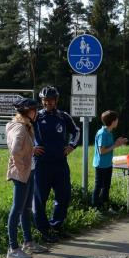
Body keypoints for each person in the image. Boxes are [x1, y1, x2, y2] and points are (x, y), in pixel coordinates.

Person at [32, 86, 80, 243]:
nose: (48, 103)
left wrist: (72, 146)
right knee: (40, 199)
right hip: (41, 165)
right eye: (45, 100)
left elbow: (76, 131)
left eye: (51, 100)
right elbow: (22, 133)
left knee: (64, 196)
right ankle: (43, 231)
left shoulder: (63, 116)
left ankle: (56, 227)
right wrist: (31, 148)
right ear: (41, 101)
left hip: (60, 163)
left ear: (56, 100)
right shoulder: (35, 117)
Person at [5, 98, 49, 258]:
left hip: (28, 171)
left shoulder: (25, 126)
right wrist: (22, 166)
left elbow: (22, 149)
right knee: (17, 209)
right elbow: (15, 150)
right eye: (34, 110)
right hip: (22, 173)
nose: (36, 112)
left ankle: (28, 242)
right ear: (28, 112)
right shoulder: (20, 128)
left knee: (26, 208)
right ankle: (13, 248)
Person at [92, 110, 128, 213]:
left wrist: (117, 142)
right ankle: (95, 209)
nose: (118, 121)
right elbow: (102, 151)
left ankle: (105, 206)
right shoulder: (102, 133)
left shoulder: (109, 132)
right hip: (100, 165)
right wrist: (116, 145)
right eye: (117, 120)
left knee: (106, 186)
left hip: (108, 164)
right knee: (98, 186)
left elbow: (109, 147)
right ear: (112, 121)